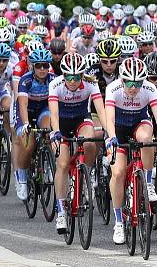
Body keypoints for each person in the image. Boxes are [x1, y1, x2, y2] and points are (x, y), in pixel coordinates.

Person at [103, 58, 157, 244]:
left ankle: (148, 182)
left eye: (138, 83)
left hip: (140, 122)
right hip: (118, 128)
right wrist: (111, 138)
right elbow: (109, 118)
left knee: (146, 139)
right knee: (118, 173)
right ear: (122, 79)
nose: (134, 87)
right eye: (130, 83)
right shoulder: (113, 89)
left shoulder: (149, 89)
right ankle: (118, 222)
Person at [49, 53, 105, 234]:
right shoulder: (55, 85)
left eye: (77, 77)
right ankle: (61, 210)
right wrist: (56, 132)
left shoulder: (91, 83)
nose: (72, 81)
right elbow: (54, 114)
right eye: (68, 77)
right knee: (63, 163)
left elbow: (102, 112)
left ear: (83, 75)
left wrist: (109, 134)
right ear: (63, 75)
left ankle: (85, 173)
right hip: (62, 124)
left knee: (90, 141)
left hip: (82, 119)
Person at [13, 48, 56, 201]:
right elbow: (23, 105)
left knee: (48, 129)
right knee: (29, 143)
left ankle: (48, 161)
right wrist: (25, 124)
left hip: (43, 110)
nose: (43, 69)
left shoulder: (53, 79)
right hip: (26, 111)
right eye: (39, 66)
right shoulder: (26, 80)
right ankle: (22, 176)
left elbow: (55, 104)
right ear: (33, 66)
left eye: (45, 65)